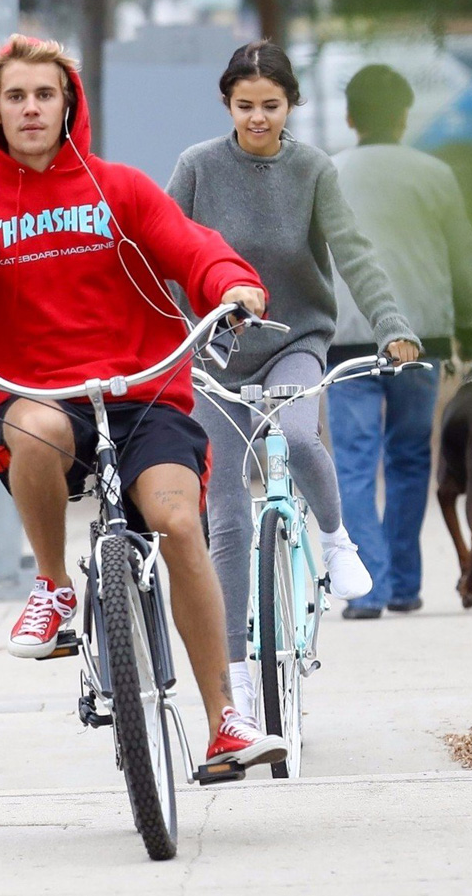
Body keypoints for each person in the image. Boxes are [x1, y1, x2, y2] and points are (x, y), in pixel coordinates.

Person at [0, 34, 289, 768]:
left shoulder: (121, 188)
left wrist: (232, 284)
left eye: (44, 94)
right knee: (36, 427)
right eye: (15, 96)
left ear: (67, 104)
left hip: (143, 394)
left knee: (180, 521)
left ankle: (226, 721)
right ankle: (52, 589)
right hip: (42, 397)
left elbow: (190, 246)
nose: (30, 108)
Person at [166, 41, 420, 722]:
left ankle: (336, 542)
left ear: (291, 105)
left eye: (271, 106)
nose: (258, 118)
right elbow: (160, 251)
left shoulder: (312, 169)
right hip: (214, 351)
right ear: (227, 104)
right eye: (245, 105)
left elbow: (353, 252)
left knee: (301, 437)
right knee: (225, 512)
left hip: (294, 339)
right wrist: (162, 333)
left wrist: (391, 322)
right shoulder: (196, 167)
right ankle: (236, 681)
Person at [327, 64, 472, 620]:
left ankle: (367, 589)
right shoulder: (435, 175)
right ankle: (405, 584)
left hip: (348, 338)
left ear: (349, 117)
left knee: (354, 462)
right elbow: (462, 261)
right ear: (405, 116)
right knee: (411, 456)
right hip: (422, 335)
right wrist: (467, 331)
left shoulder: (329, 171)